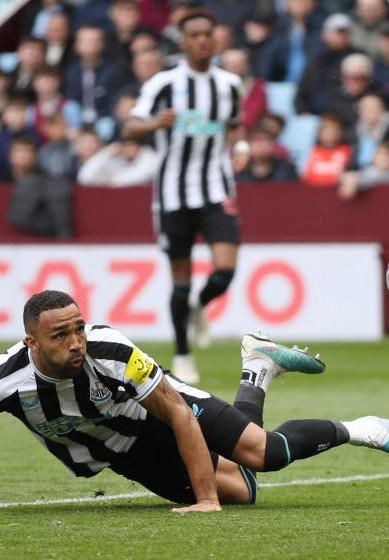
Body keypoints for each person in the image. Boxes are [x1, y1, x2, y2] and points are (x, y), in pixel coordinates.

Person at [0, 290, 389, 515]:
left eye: (79, 329)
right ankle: (257, 368)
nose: (76, 343)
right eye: (61, 336)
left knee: (263, 454)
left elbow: (175, 411)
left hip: (160, 405)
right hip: (125, 453)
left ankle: (358, 428)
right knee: (246, 490)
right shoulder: (1, 380)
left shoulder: (112, 350)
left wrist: (204, 501)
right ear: (31, 344)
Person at [123, 8, 244, 385]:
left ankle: (198, 309)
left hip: (216, 187)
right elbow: (130, 125)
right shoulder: (164, 83)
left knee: (225, 271)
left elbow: (235, 126)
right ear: (183, 41)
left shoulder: (229, 85)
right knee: (180, 279)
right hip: (173, 194)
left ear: (216, 39)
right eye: (195, 35)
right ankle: (182, 351)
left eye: (209, 34)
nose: (203, 41)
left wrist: (238, 151)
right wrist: (156, 123)